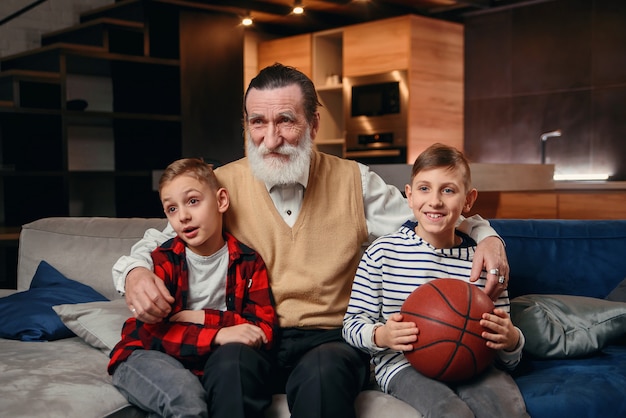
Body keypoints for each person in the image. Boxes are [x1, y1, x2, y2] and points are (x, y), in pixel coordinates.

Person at [111, 63, 511, 417]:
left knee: (324, 377)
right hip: (250, 332)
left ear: (314, 124)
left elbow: (434, 215)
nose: (270, 139)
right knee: (228, 367)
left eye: (285, 120)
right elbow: (163, 239)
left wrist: (487, 237)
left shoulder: (355, 181)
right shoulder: (222, 184)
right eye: (257, 123)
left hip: (328, 340)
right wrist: (134, 273)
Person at [342, 143, 527, 418]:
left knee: (506, 411)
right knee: (450, 412)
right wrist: (381, 335)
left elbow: (504, 353)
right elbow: (352, 324)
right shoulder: (382, 253)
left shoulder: (484, 262)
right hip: (402, 366)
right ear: (409, 195)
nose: (435, 201)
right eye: (424, 188)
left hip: (474, 365)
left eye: (448, 190)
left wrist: (512, 341)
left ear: (468, 200)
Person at [108, 158, 277, 418]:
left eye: (193, 201)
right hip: (144, 354)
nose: (183, 216)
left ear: (221, 201)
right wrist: (221, 333)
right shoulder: (164, 260)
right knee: (186, 400)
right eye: (171, 209)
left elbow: (262, 329)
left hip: (200, 360)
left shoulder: (248, 262)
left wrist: (198, 317)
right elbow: (153, 334)